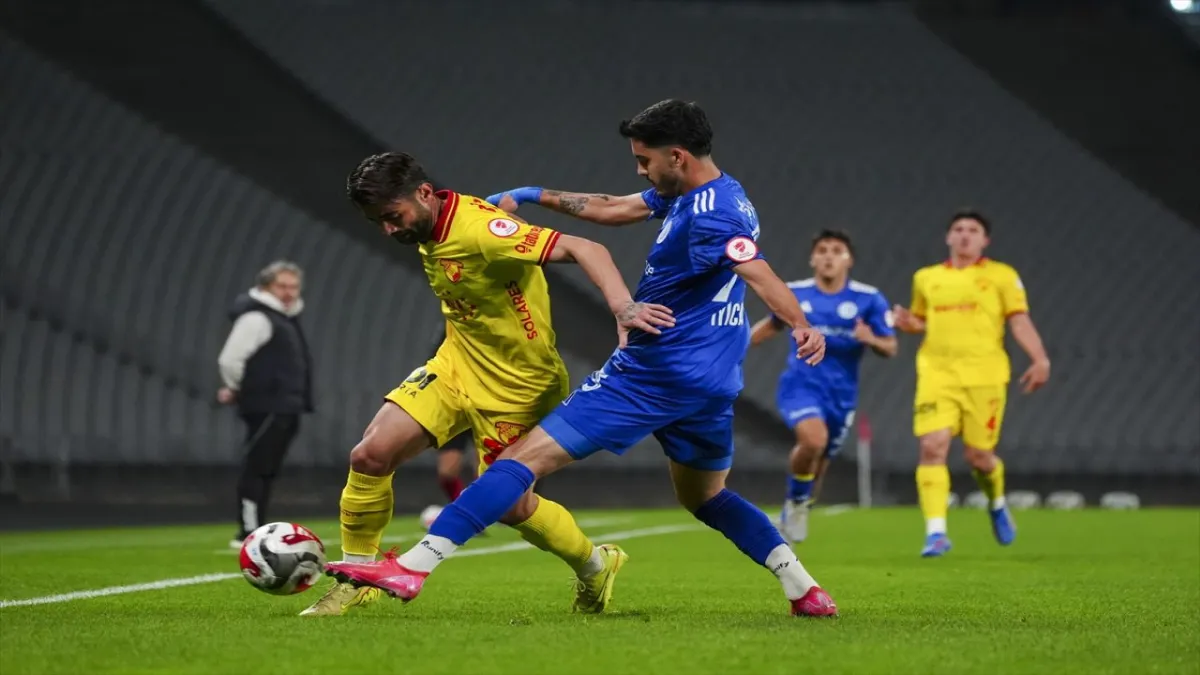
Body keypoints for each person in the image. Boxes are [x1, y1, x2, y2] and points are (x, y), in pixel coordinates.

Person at [325, 99, 839, 618]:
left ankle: (413, 565)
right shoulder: (708, 193)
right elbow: (614, 209)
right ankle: (804, 588)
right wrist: (532, 194)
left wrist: (798, 324)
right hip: (712, 379)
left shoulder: (713, 216)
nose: (639, 170)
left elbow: (758, 272)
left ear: (677, 156)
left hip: (653, 372)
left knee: (516, 465)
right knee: (706, 497)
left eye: (644, 160)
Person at [300, 151, 674, 617]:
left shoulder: (481, 232)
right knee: (370, 455)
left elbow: (588, 248)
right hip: (455, 365)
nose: (389, 230)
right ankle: (356, 580)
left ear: (422, 194)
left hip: (519, 383)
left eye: (392, 218)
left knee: (513, 508)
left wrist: (624, 307)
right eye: (379, 222)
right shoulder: (435, 219)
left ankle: (596, 566)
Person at [891, 210, 1050, 557]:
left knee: (980, 457)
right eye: (958, 229)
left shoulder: (1002, 276)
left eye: (973, 230)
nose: (965, 235)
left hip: (985, 377)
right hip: (937, 375)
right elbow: (921, 321)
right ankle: (936, 533)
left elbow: (1019, 321)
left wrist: (1039, 358)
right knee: (932, 447)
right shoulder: (927, 278)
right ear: (948, 237)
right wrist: (908, 323)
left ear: (984, 240)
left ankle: (996, 503)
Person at [749, 229, 897, 543]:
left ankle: (799, 503)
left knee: (819, 461)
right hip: (800, 385)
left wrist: (871, 339)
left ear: (849, 260)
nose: (829, 256)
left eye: (837, 250)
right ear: (813, 259)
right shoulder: (795, 293)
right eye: (823, 250)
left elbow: (890, 347)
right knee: (813, 440)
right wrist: (732, 349)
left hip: (841, 396)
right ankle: (796, 504)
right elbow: (770, 327)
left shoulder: (868, 299)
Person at [217, 260, 313, 548]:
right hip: (267, 404)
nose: (288, 292)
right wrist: (237, 388)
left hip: (285, 406)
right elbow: (230, 359)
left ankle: (256, 524)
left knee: (268, 467)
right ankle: (247, 530)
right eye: (281, 286)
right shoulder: (258, 318)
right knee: (257, 465)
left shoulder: (285, 319)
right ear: (265, 287)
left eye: (293, 286)